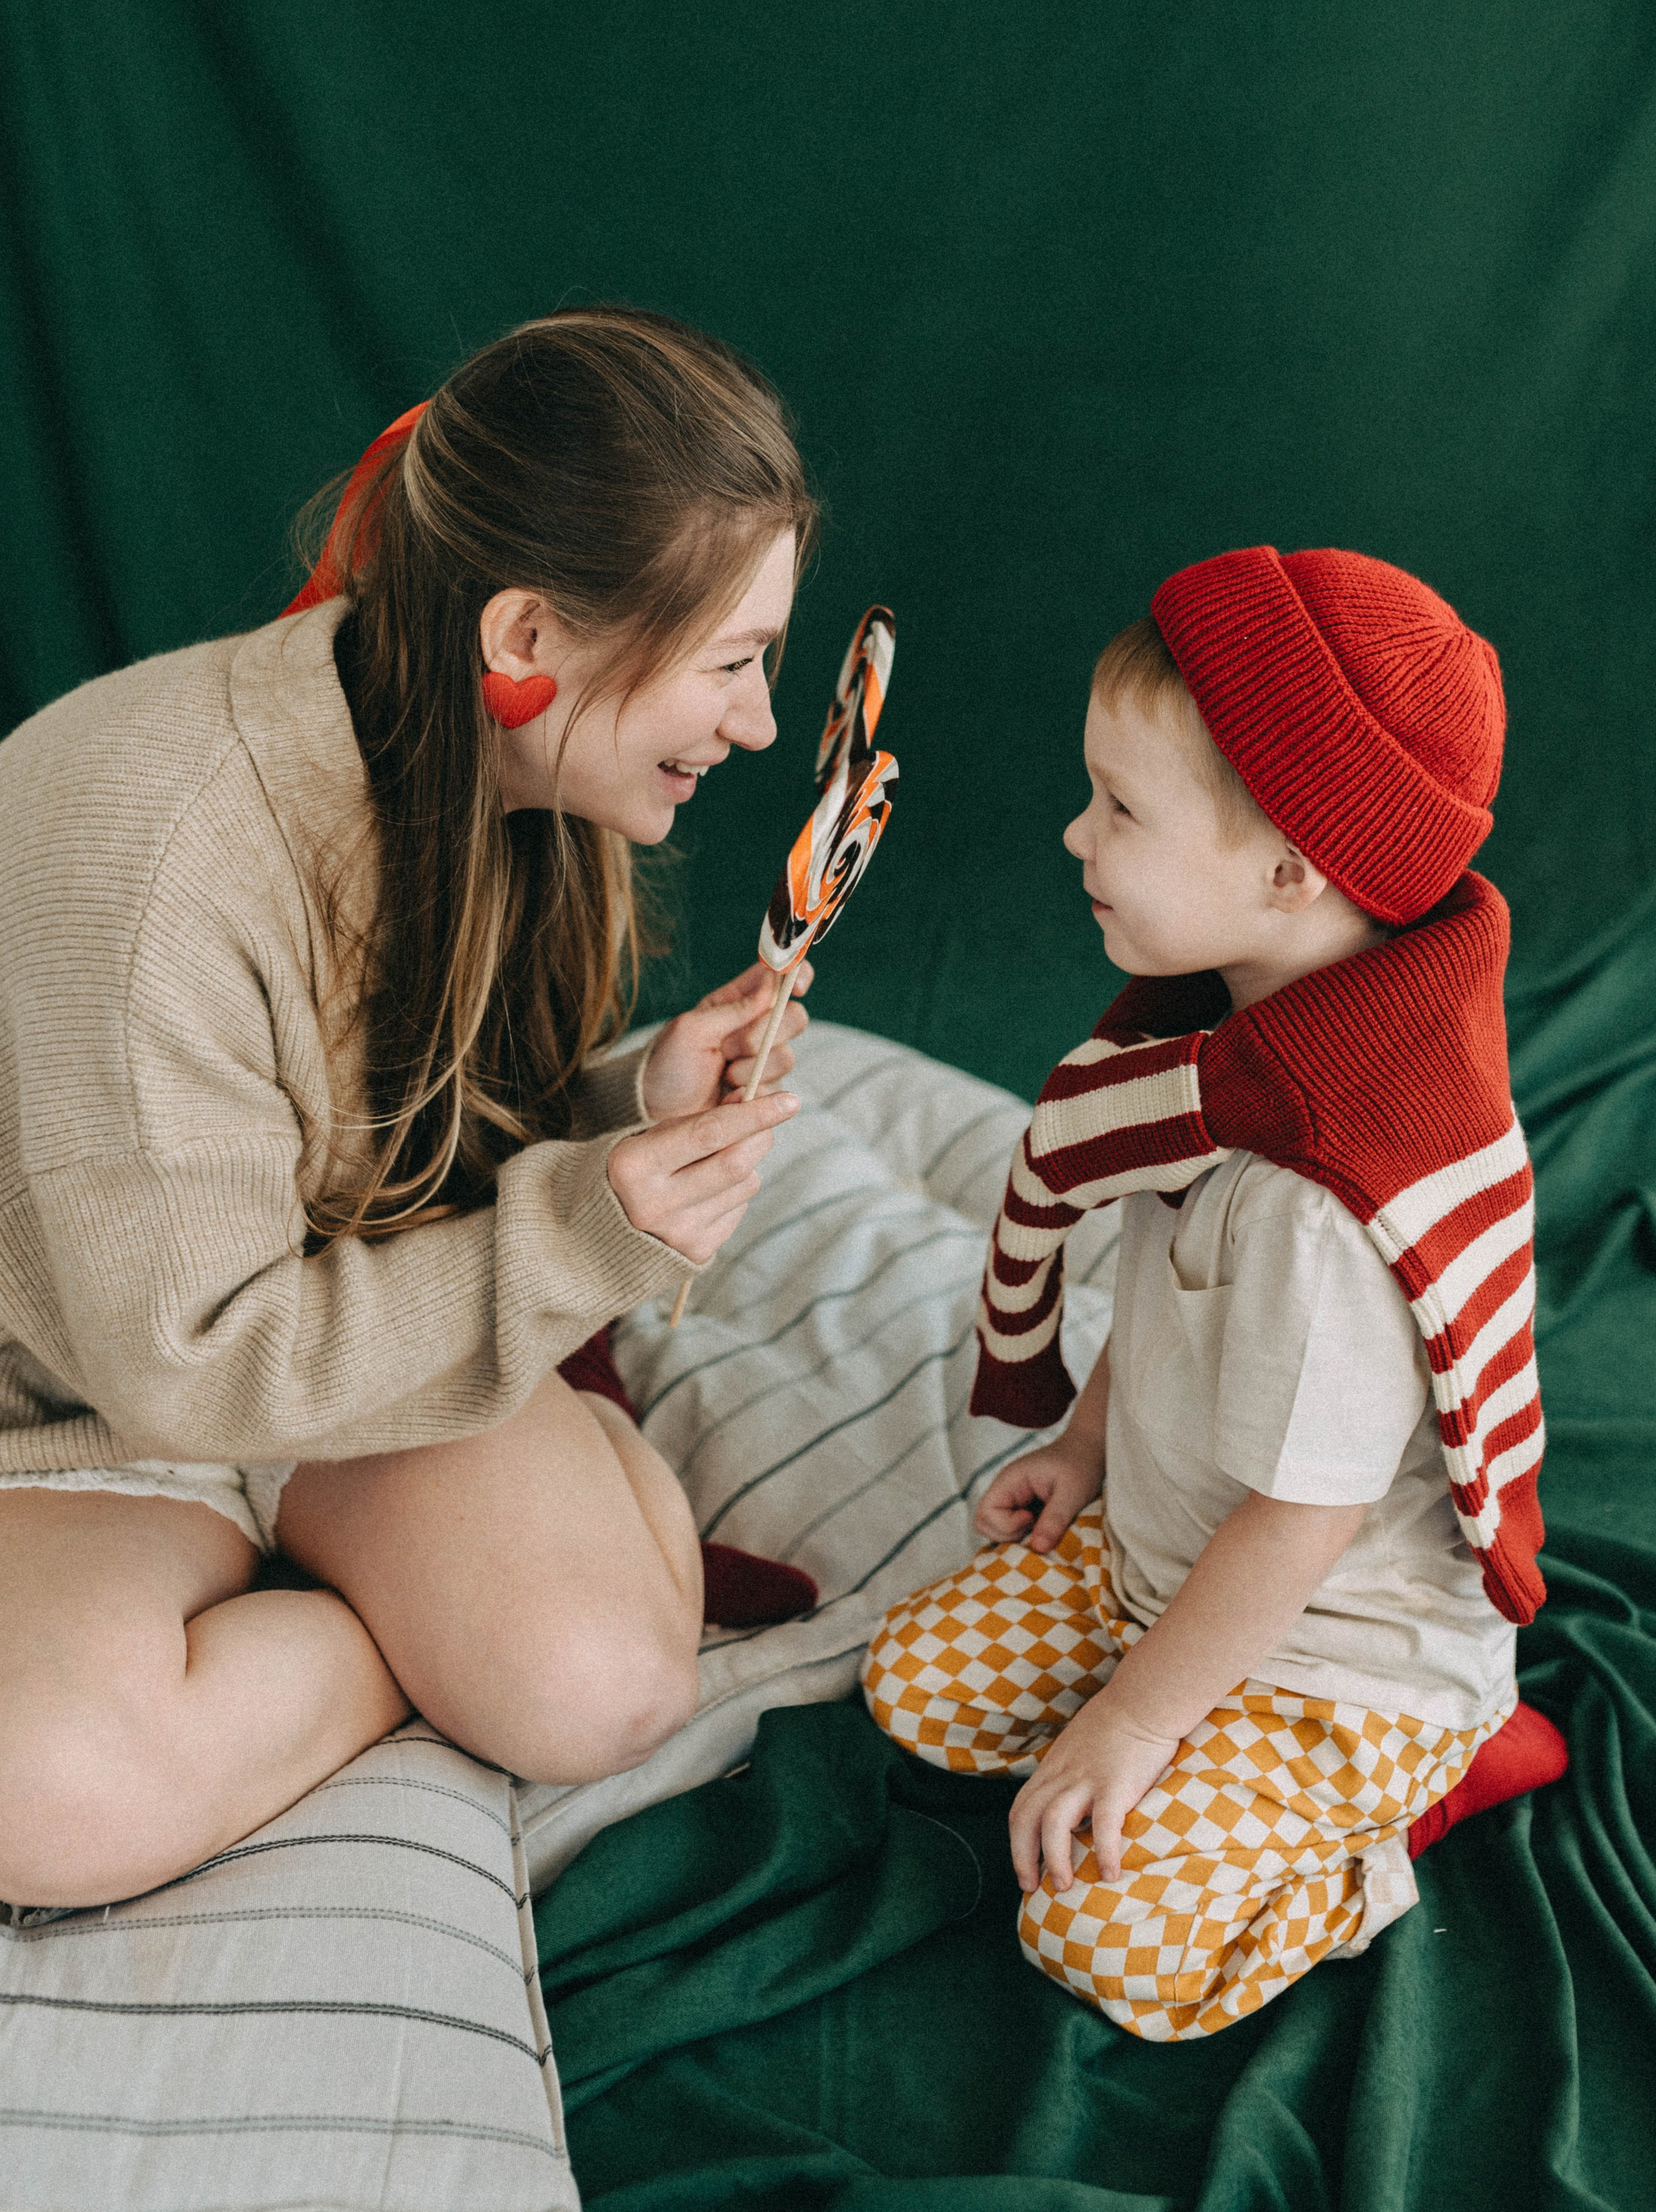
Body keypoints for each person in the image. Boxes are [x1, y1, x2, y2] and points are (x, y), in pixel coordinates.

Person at [0, 305, 822, 1909]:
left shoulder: (514, 787)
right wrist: (588, 1234)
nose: (760, 725)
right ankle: (385, 1613)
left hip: (322, 1351)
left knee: (602, 1688)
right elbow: (183, 1367)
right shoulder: (162, 856)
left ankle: (406, 1571)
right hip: (88, 1399)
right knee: (47, 1798)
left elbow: (391, 1138)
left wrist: (616, 1111)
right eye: (728, 665)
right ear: (525, 640)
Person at [863, 545, 1563, 2041]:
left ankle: (1417, 1801)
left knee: (1104, 1941)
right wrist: (1080, 1446)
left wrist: (1130, 1722)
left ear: (1288, 868)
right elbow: (1159, 1278)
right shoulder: (1220, 1050)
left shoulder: (1332, 1191)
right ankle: (1163, 1710)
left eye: (1119, 808)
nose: (1074, 833)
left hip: (1331, 1654)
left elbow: (1298, 1521)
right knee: (913, 1689)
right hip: (1163, 1564)